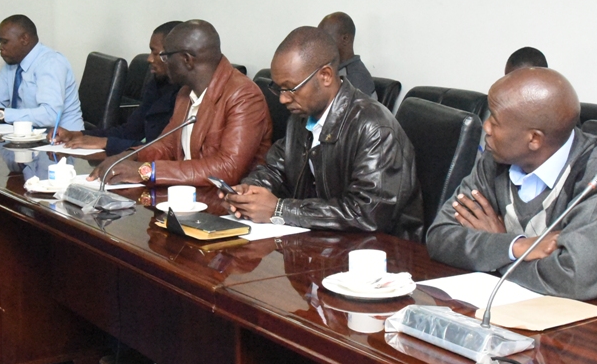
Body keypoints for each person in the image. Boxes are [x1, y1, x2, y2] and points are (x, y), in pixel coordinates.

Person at [425, 68, 597, 306]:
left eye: (495, 121)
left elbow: (574, 278)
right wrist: (516, 245)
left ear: (534, 139)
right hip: (508, 307)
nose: (486, 128)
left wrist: (495, 250)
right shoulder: (496, 159)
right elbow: (440, 237)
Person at [225, 26, 423, 238]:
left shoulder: (374, 128)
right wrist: (249, 192)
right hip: (322, 239)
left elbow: (366, 213)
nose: (283, 98)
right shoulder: (301, 117)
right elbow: (275, 169)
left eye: (290, 88)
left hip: (380, 248)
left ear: (326, 76)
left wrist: (280, 210)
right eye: (279, 88)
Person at [89, 20, 271, 186]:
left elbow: (227, 169)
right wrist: (128, 156)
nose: (163, 62)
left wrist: (146, 171)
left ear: (187, 60)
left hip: (224, 202)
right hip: (187, 193)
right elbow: (166, 145)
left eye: (166, 56)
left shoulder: (244, 96)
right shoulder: (185, 92)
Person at [54, 21, 181, 155]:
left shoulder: (186, 94)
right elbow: (130, 131)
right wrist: (77, 134)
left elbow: (166, 151)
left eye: (155, 53)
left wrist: (107, 143)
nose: (149, 59)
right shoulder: (158, 83)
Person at [0, 15, 84, 129]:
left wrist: (0, 114)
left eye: (5, 42)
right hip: (25, 137)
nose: (0, 47)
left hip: (63, 140)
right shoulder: (12, 63)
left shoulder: (51, 63)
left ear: (24, 39)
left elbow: (50, 115)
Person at [317, 12, 378, 100]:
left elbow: (351, 109)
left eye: (326, 38)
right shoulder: (334, 69)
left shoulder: (356, 77)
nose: (320, 44)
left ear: (345, 39)